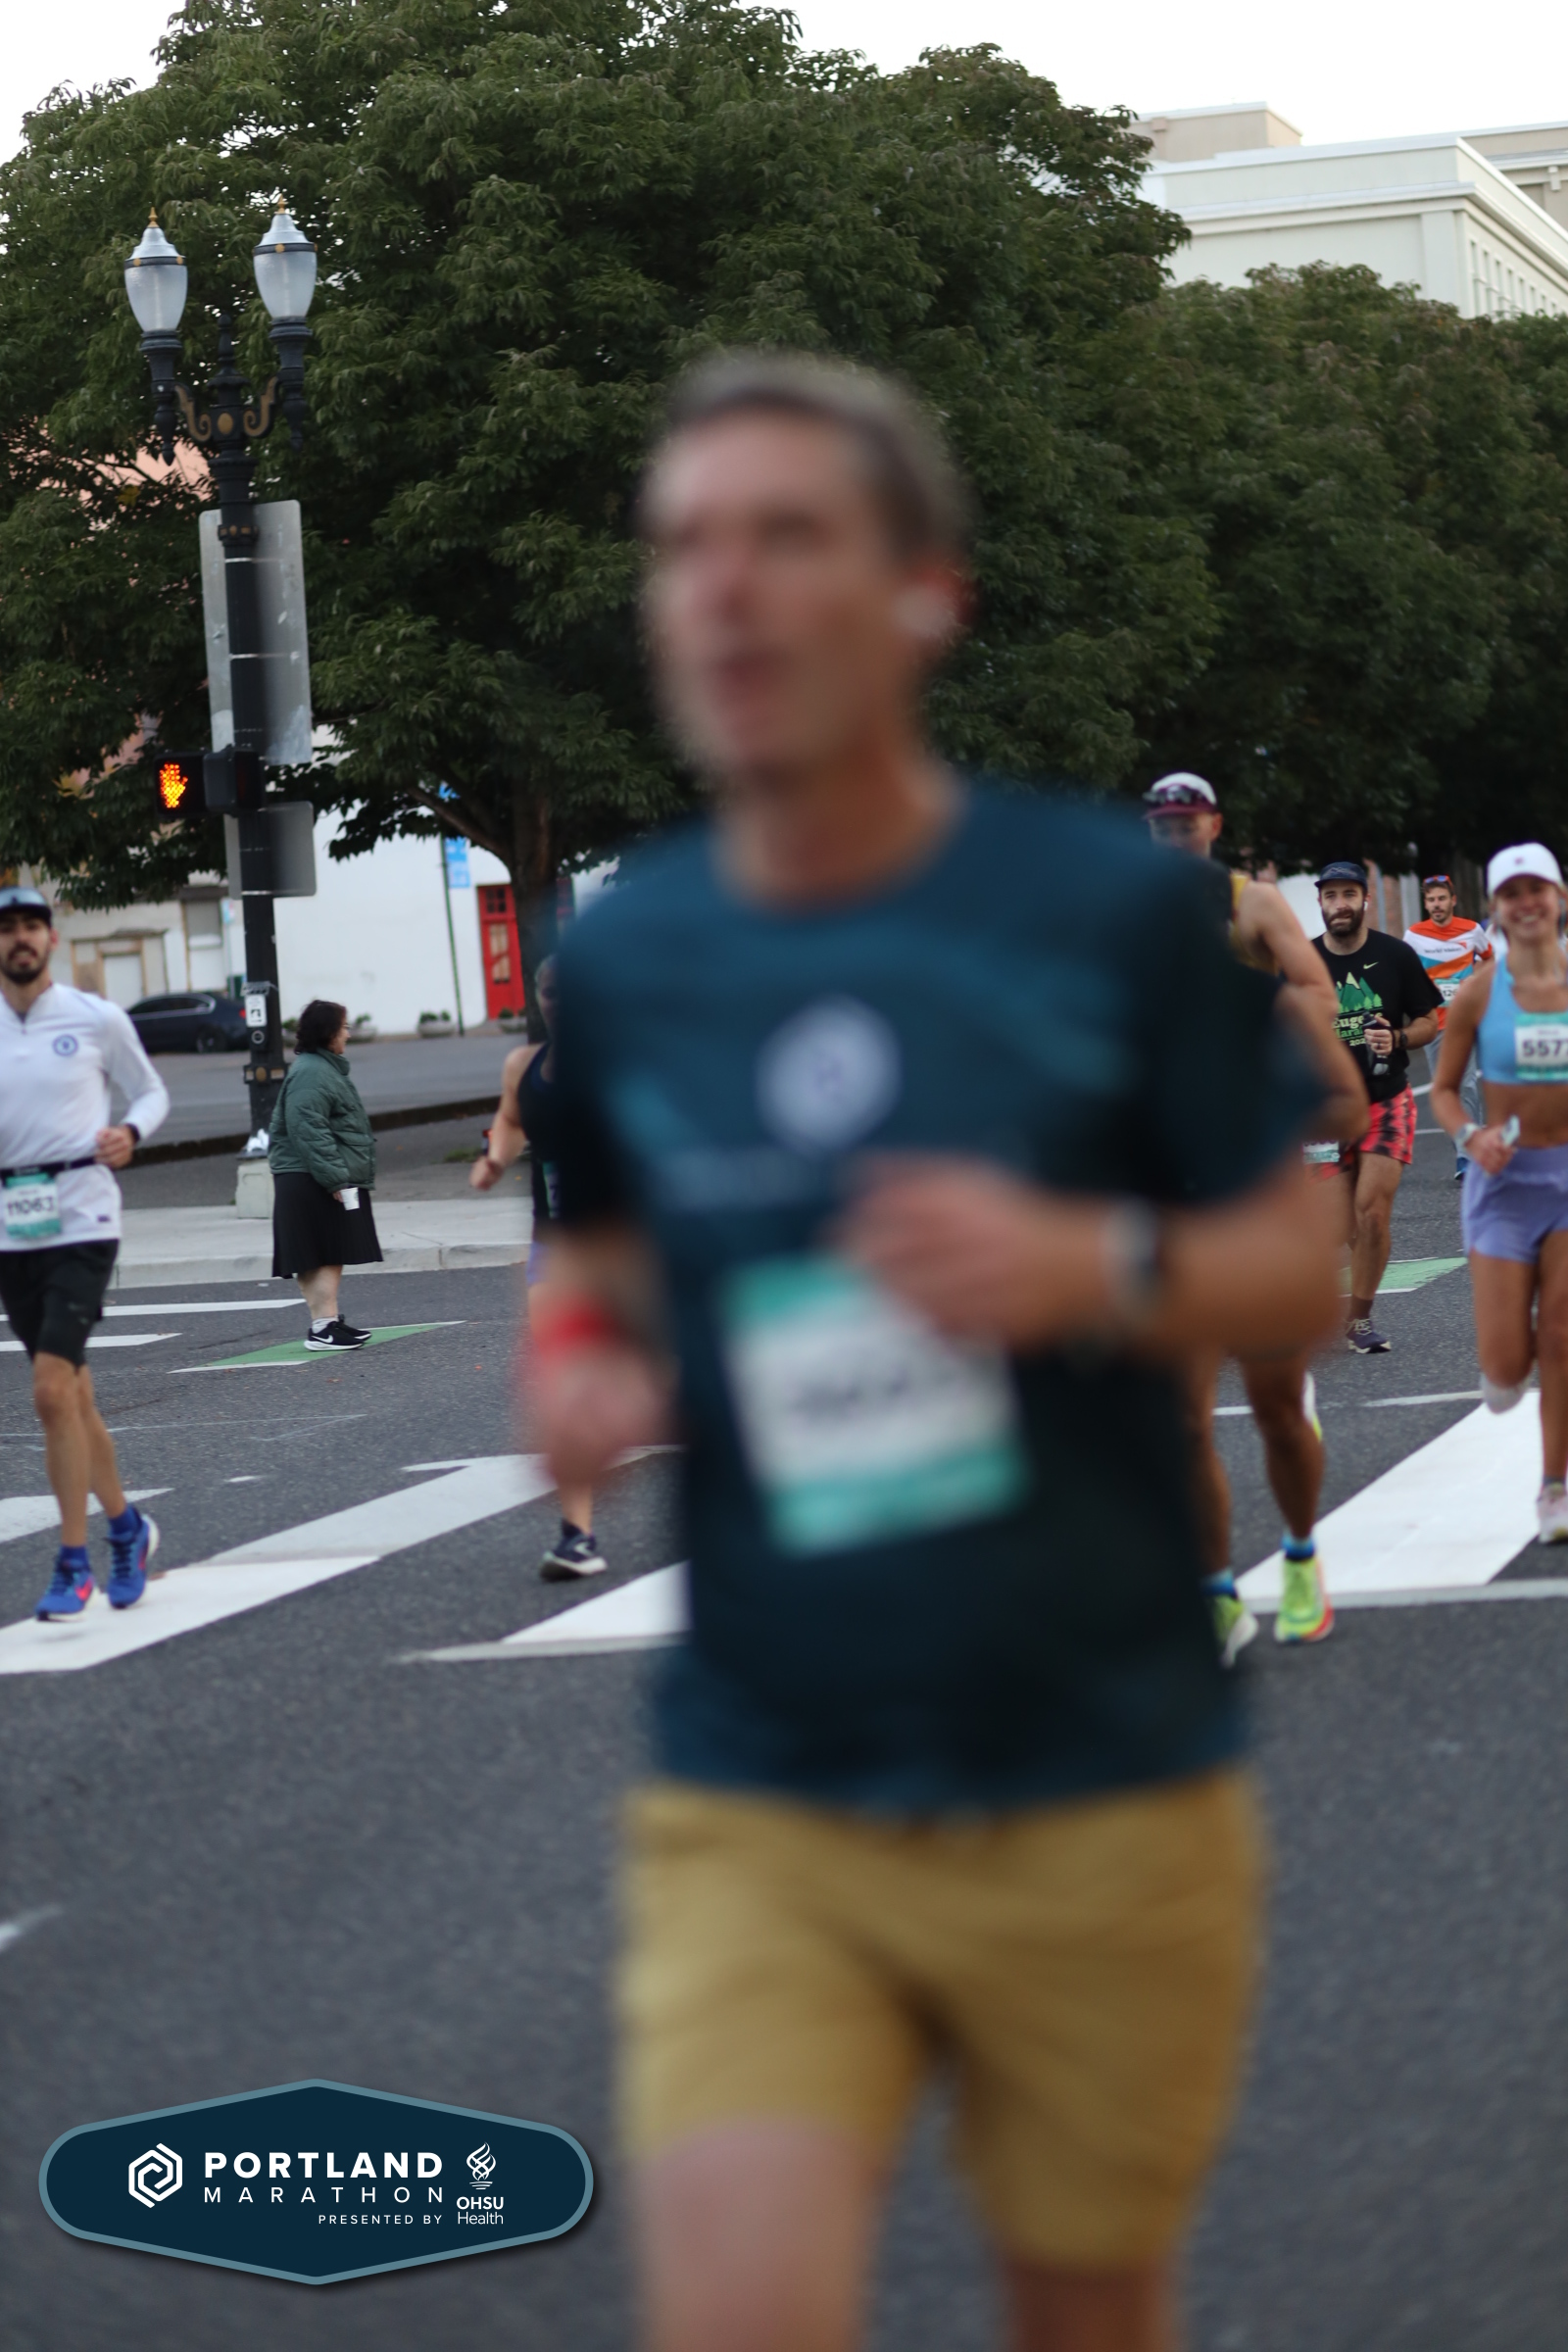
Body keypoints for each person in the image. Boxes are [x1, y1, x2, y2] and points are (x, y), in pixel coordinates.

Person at [534, 354, 1339, 2352]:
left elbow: (1296, 1268)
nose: (724, 588)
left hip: (1099, 1776)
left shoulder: (1108, 913)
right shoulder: (631, 956)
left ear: (923, 597)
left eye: (785, 536)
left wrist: (1085, 1258)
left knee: (1085, 2307)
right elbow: (602, 1257)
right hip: (765, 1785)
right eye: (684, 547)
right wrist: (581, 1352)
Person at [1144, 775, 1368, 1652]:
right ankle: (1216, 1593)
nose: (1175, 834)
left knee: (1275, 1409)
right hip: (1174, 1203)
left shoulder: (1257, 905)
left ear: (1213, 825)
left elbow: (1318, 997)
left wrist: (1242, 1026)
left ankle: (1302, 1554)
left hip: (1257, 1194)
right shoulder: (1129, 912)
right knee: (1183, 1420)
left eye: (1188, 821)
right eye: (1162, 823)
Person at [0, 885, 169, 1620]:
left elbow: (151, 1092)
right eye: (7, 928)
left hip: (84, 1217)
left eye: (31, 925)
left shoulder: (95, 1017)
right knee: (72, 1396)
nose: (19, 938)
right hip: (12, 1224)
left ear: (52, 939)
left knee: (48, 1390)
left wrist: (129, 1133)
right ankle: (127, 1528)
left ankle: (74, 1563)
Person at [1433, 844, 1568, 1542]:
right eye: (1512, 893)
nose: (1527, 903)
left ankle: (1555, 1487)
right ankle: (1504, 1368)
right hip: (1504, 1188)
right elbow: (1444, 1091)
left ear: (1560, 897)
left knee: (1562, 1335)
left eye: (1536, 888)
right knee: (1507, 1368)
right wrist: (1470, 1136)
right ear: (1496, 909)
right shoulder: (1481, 993)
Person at [472, 954, 607, 1579]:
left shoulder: (618, 1058)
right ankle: (578, 1535)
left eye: (566, 989)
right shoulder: (522, 1066)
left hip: (629, 1244)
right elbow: (509, 1119)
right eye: (546, 990)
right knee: (561, 1379)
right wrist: (495, 1160)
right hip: (555, 1246)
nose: (555, 1000)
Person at [1313, 860, 1444, 1352]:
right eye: (1331, 895)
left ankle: (1359, 1320)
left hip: (1386, 1098)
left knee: (1371, 1213)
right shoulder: (1302, 961)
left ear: (1365, 899)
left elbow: (1430, 1019)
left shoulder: (1395, 955)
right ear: (1320, 903)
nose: (1340, 904)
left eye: (1349, 894)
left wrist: (1400, 1038)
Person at [269, 999, 381, 1349]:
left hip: (314, 1174)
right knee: (318, 1253)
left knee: (330, 1250)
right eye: (344, 1028)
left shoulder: (320, 1067)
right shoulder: (312, 1072)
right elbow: (309, 1129)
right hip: (310, 1176)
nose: (348, 1034)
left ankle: (329, 1322)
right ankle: (321, 1329)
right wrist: (335, 1178)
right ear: (329, 1032)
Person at [1403, 872, 1491, 1178]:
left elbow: (1488, 959)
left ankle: (1467, 1156)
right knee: (1445, 1088)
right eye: (1431, 900)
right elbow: (1406, 972)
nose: (1436, 904)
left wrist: (1476, 985)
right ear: (1426, 904)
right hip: (1432, 1024)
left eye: (1441, 898)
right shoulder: (1413, 936)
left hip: (1464, 1021)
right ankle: (1468, 1144)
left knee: (1466, 1084)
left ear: (1453, 900)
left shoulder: (1472, 930)